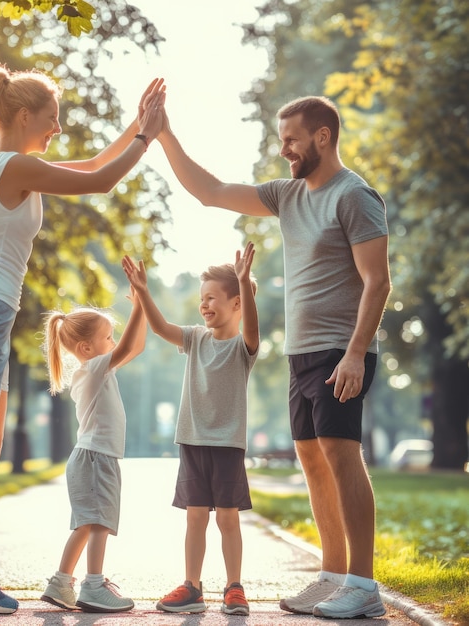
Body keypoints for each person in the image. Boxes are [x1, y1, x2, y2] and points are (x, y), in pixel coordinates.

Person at [0, 64, 165, 616]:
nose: (57, 129)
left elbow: (98, 163)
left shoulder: (16, 167)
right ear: (23, 116)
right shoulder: (13, 166)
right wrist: (148, 136)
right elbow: (101, 181)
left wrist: (138, 125)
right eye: (52, 119)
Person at [153, 95, 392, 619]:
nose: (283, 149)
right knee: (312, 459)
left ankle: (363, 585)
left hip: (339, 350)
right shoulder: (287, 195)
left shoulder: (354, 195)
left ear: (322, 136)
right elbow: (210, 192)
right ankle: (332, 576)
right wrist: (165, 133)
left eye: (291, 139)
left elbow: (378, 281)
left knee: (340, 455)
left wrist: (355, 353)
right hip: (301, 353)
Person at [122, 242, 259, 616]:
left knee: (227, 518)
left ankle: (234, 587)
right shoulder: (196, 338)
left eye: (212, 298)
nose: (205, 305)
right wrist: (145, 293)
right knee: (195, 517)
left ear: (236, 304)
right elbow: (162, 327)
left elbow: (252, 330)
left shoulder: (243, 347)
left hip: (228, 445)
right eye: (202, 299)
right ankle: (193, 587)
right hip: (193, 443)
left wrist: (245, 282)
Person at [39, 284, 146, 613]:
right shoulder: (94, 368)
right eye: (107, 337)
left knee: (86, 523)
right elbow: (129, 344)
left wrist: (142, 308)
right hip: (96, 458)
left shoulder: (97, 369)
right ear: (87, 347)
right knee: (98, 522)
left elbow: (135, 347)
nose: (113, 343)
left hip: (89, 458)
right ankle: (94, 584)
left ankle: (61, 583)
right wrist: (140, 306)